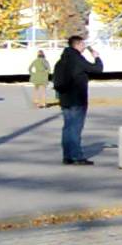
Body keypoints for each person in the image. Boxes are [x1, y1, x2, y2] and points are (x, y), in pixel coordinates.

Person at [52, 35, 104, 165]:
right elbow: (97, 69)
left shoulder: (61, 61)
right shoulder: (77, 59)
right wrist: (96, 57)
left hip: (64, 98)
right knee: (75, 128)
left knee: (67, 127)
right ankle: (76, 156)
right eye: (83, 44)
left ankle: (67, 155)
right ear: (78, 45)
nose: (84, 46)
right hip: (77, 98)